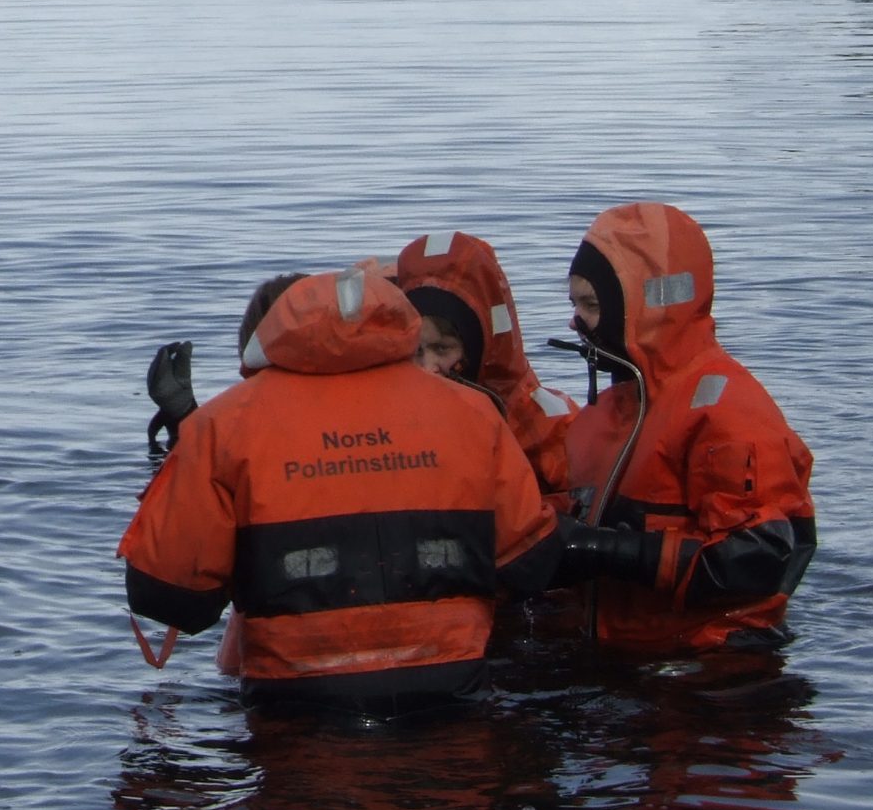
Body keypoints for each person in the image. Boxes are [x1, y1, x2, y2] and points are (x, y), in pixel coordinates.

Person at [120, 263, 566, 715]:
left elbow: (168, 596)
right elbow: (529, 563)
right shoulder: (474, 414)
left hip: (296, 714)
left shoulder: (220, 426)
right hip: (450, 700)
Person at [552, 203, 817, 656]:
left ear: (638, 306)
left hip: (714, 667)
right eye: (574, 304)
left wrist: (598, 548)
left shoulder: (728, 408)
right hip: (625, 656)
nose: (576, 322)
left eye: (592, 305)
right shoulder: (612, 409)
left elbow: (756, 559)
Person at [394, 230, 578, 498]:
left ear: (478, 346)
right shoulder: (393, 417)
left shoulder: (549, 427)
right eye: (416, 351)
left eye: (442, 348)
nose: (429, 367)